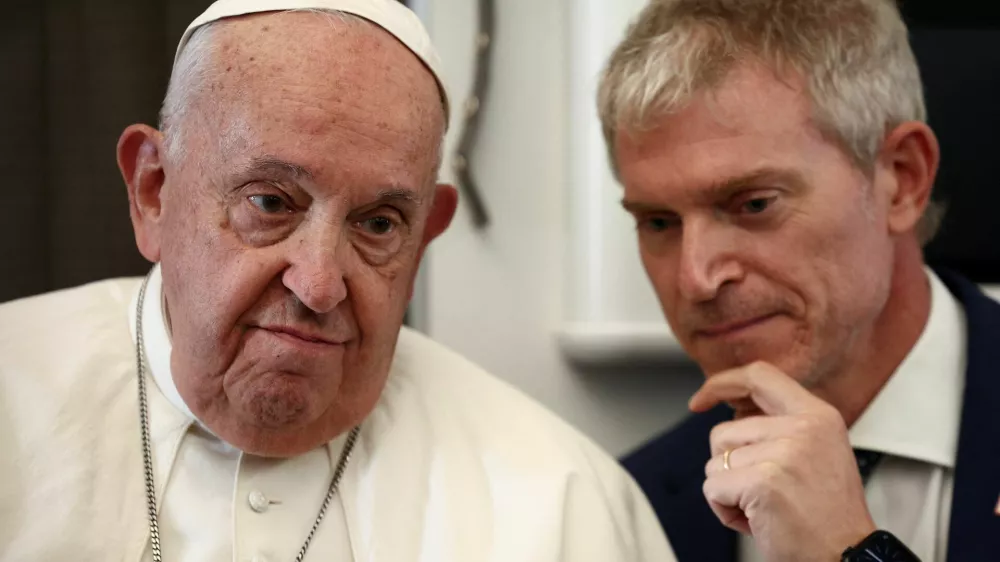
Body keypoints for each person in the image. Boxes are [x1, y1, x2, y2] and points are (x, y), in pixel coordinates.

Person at [0, 1, 676, 560]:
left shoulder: (565, 506)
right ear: (154, 190)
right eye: (270, 203)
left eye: (378, 224)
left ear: (424, 239)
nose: (319, 283)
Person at [597, 0, 1000, 560]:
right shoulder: (629, 505)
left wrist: (851, 551)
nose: (696, 278)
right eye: (658, 222)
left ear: (902, 180)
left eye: (754, 204)